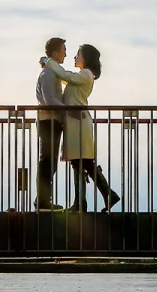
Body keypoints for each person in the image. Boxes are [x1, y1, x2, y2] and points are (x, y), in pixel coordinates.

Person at [41, 44, 119, 212]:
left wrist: (48, 61)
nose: (75, 57)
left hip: (79, 123)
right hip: (75, 122)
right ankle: (93, 199)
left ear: (86, 58)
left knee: (82, 162)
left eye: (78, 54)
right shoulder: (82, 75)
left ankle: (86, 201)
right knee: (81, 162)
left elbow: (64, 75)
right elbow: (64, 76)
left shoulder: (86, 74)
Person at [34, 37, 67, 210]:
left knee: (49, 161)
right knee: (47, 161)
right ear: (55, 53)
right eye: (63, 50)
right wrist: (67, 110)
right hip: (48, 121)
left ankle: (43, 199)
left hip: (51, 120)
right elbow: (49, 99)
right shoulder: (48, 74)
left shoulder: (52, 73)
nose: (65, 54)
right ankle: (42, 201)